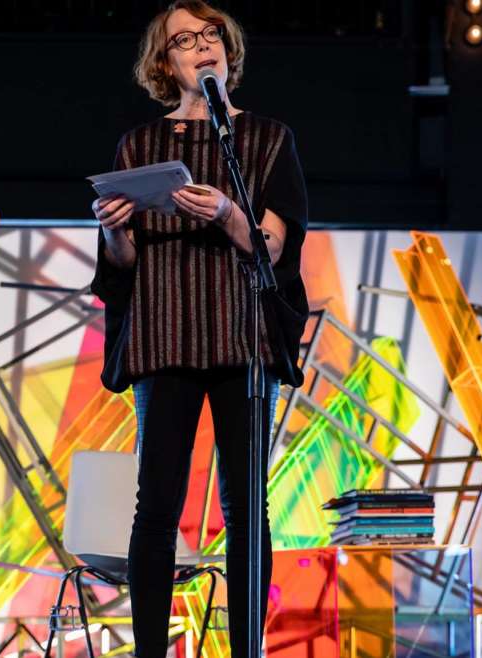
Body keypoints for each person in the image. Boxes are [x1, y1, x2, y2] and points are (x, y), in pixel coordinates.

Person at [89, 1, 309, 657]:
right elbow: (123, 264)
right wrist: (114, 232)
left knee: (245, 509)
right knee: (157, 506)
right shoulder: (139, 146)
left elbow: (274, 248)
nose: (201, 45)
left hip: (243, 339)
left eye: (210, 33)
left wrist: (226, 212)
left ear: (227, 49)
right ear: (165, 63)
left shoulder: (267, 140)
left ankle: (247, 651)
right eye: (183, 39)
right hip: (165, 335)